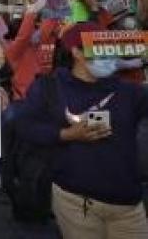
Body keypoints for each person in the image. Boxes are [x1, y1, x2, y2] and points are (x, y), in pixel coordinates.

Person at [16, 21, 148, 238]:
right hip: (76, 203)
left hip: (128, 208)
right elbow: (24, 127)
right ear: (77, 52)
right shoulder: (50, 87)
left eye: (110, 49)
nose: (107, 56)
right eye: (99, 49)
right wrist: (66, 134)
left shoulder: (130, 92)